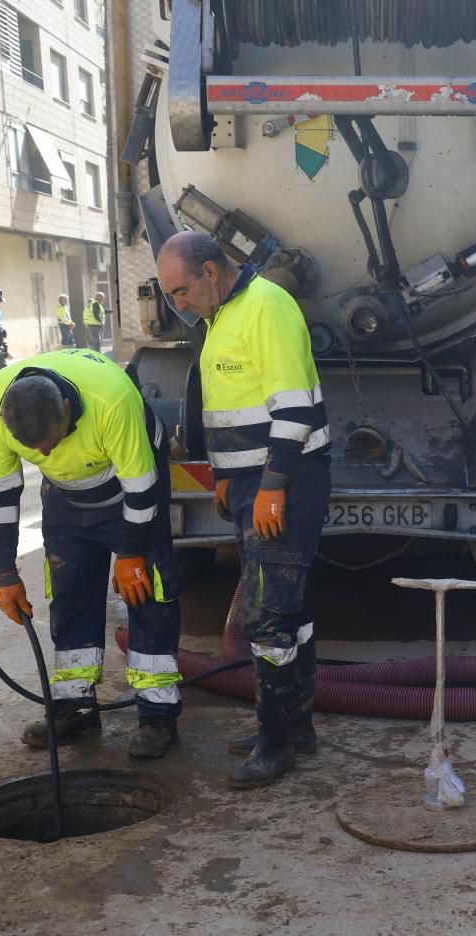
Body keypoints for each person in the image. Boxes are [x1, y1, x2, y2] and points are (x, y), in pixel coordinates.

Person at [155, 231, 331, 788]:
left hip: (287, 481)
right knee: (289, 611)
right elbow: (233, 407)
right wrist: (228, 477)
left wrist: (274, 484)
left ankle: (274, 747)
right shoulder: (219, 316)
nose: (176, 304)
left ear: (211, 271)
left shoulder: (267, 309)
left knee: (267, 616)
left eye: (180, 291)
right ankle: (295, 730)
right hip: (251, 482)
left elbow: (295, 409)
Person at [0, 348, 184, 758]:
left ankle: (158, 716)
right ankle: (75, 706)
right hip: (67, 499)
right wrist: (5, 574)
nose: (47, 454)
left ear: (68, 408)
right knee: (69, 594)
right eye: (37, 450)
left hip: (131, 485)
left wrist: (129, 555)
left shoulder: (112, 399)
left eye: (53, 442)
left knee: (147, 592)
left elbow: (141, 488)